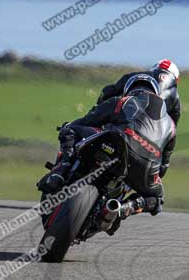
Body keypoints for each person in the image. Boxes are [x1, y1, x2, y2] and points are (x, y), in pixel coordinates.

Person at [36, 74, 176, 218]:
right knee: (157, 198)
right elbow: (163, 167)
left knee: (70, 129)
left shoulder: (123, 101)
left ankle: (60, 171)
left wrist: (68, 127)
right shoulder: (171, 125)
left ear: (129, 89)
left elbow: (87, 121)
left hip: (119, 143)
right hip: (146, 165)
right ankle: (126, 207)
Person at [94, 59, 181, 125]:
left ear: (154, 70)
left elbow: (108, 91)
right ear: (175, 80)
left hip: (126, 119)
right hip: (152, 131)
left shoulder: (137, 75)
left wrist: (97, 107)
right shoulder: (175, 96)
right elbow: (172, 125)